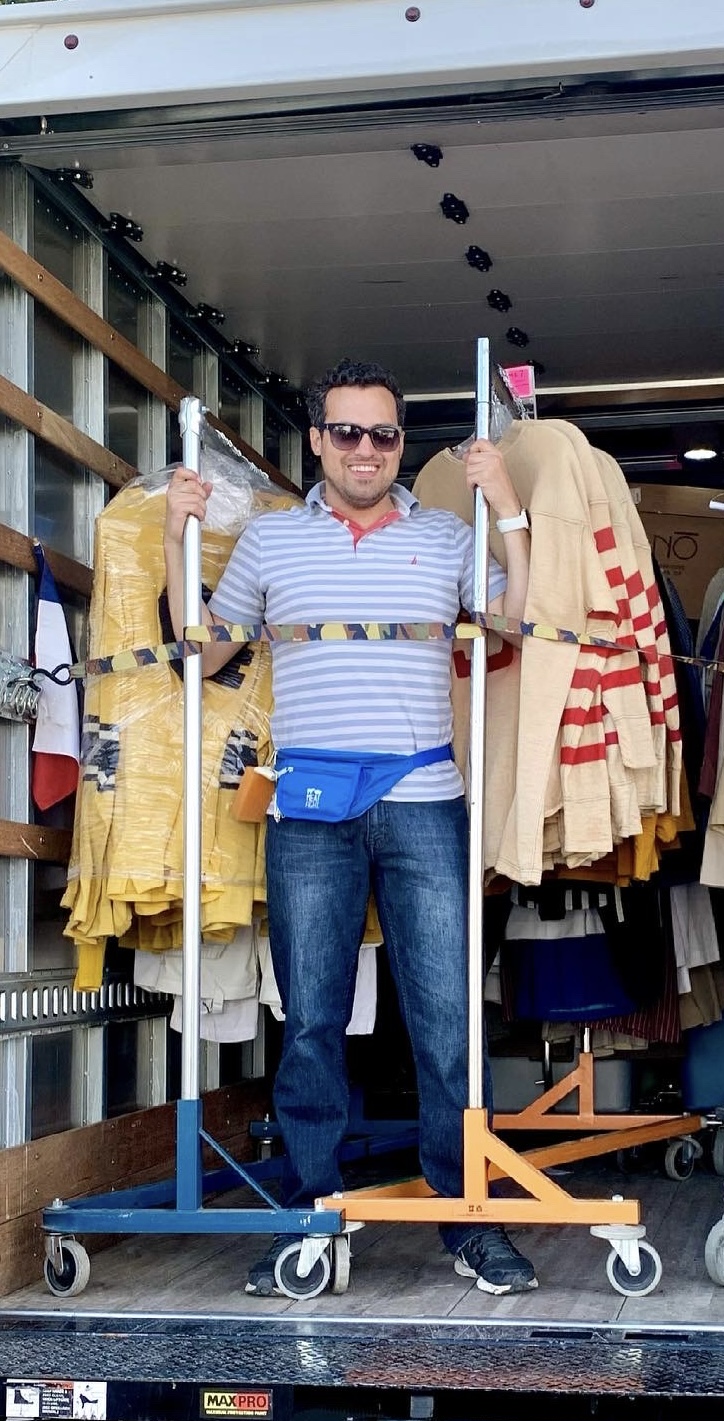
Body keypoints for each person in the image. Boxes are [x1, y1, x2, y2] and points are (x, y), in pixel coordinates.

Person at [164, 358, 537, 1296]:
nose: (364, 450)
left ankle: (469, 1222)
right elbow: (200, 656)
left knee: (447, 1022)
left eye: (382, 434)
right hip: (309, 811)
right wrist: (177, 536)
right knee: (312, 1023)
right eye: (346, 433)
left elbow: (513, 626)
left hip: (422, 799)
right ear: (318, 441)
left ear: (400, 445)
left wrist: (513, 514)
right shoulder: (270, 544)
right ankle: (313, 1218)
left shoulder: (451, 533)